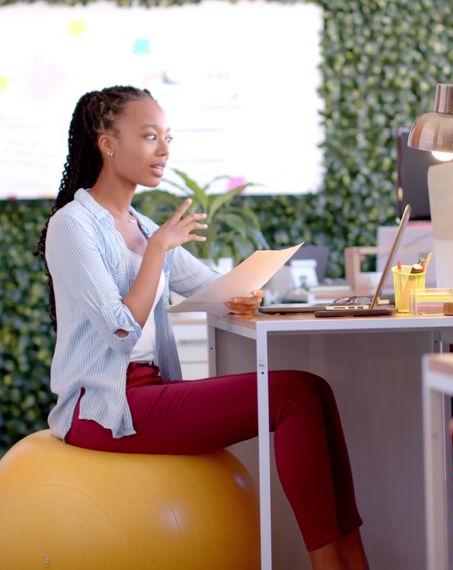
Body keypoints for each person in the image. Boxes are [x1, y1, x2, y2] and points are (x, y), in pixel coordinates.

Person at [35, 85, 369, 570]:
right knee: (294, 394)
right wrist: (157, 253)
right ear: (108, 143)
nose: (164, 150)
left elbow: (212, 288)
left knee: (313, 389)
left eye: (168, 137)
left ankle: (353, 559)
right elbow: (122, 331)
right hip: (105, 407)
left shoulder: (145, 226)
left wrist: (246, 291)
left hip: (147, 392)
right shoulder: (74, 226)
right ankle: (329, 565)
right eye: (150, 136)